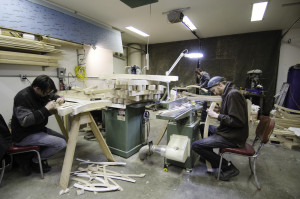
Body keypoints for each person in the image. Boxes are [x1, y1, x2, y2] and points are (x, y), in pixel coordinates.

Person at [192, 76, 249, 181]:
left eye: (214, 90)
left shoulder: (233, 95)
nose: (214, 93)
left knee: (196, 146)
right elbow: (232, 112)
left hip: (233, 136)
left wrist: (216, 115)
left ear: (219, 85)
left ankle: (228, 167)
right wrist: (221, 110)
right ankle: (209, 158)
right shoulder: (229, 93)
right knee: (203, 126)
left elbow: (238, 121)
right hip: (228, 131)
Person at [11, 75, 66, 175]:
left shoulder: (42, 93)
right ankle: (35, 161)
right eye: (46, 92)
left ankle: (37, 157)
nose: (48, 94)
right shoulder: (22, 97)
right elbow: (25, 121)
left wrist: (59, 98)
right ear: (37, 89)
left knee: (65, 140)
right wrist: (45, 109)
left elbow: (52, 95)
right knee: (60, 143)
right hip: (24, 135)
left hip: (38, 129)